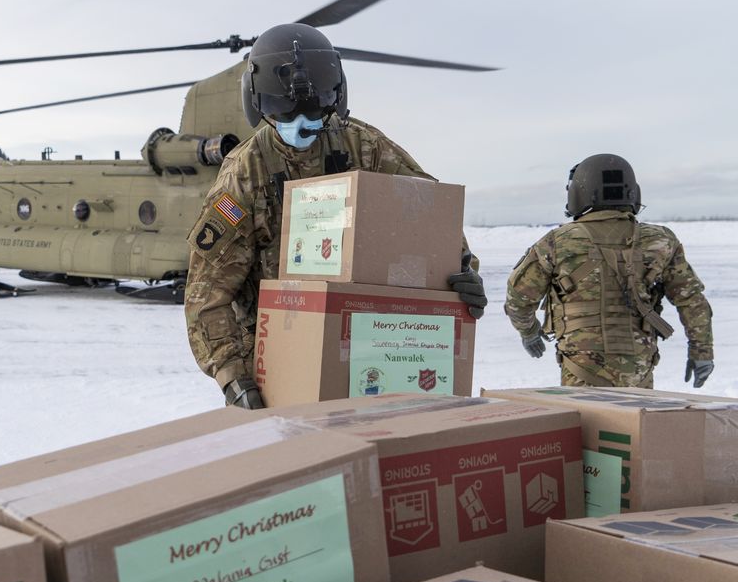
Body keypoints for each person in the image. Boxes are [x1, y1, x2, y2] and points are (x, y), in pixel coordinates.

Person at [184, 23, 486, 409]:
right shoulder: (244, 176)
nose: (302, 123)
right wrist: (234, 379)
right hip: (278, 352)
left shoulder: (364, 147)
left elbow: (426, 211)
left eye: (316, 108)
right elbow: (206, 294)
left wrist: (462, 269)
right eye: (284, 110)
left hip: (368, 344)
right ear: (258, 103)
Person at [504, 154, 713, 388]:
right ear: (632, 192)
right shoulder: (661, 240)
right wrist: (702, 352)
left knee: (587, 423)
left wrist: (529, 331)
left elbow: (519, 298)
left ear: (579, 192)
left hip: (581, 370)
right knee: (633, 423)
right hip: (638, 371)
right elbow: (692, 301)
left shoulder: (558, 241)